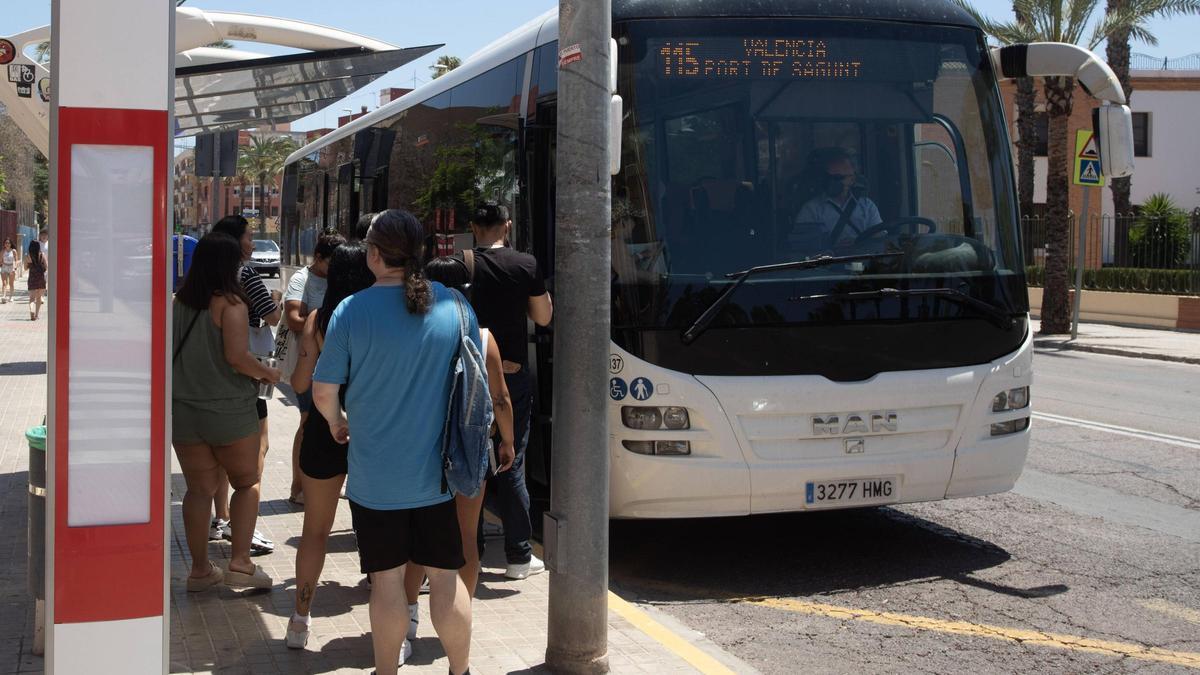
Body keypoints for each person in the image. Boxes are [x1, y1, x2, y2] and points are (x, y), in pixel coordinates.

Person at [312, 209, 474, 675]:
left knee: (385, 582)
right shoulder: (453, 304)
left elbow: (324, 391)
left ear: (375, 254)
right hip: (438, 477)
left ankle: (386, 672)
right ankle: (459, 671)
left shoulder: (351, 310)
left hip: (374, 477)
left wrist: (338, 422)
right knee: (445, 577)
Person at [402, 256, 515, 628]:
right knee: (467, 534)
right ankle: (461, 614)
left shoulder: (416, 330)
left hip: (424, 446)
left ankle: (410, 615)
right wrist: (508, 441)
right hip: (471, 445)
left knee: (422, 533)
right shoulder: (483, 337)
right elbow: (500, 398)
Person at [172, 232, 279, 592]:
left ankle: (200, 571)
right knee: (246, 484)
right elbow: (237, 358)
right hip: (229, 411)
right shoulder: (232, 304)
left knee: (199, 490)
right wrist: (268, 372)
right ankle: (239, 564)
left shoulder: (179, 303)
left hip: (184, 410)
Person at [286, 241, 374, 649]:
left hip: (325, 429)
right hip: (374, 431)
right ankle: (399, 617)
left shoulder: (319, 320)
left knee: (315, 532)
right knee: (382, 525)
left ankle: (300, 620)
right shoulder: (379, 317)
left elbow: (301, 384)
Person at [458, 201, 552, 580]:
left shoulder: (461, 264)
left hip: (466, 375)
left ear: (472, 227)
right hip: (510, 377)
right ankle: (518, 556)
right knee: (511, 460)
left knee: (468, 458)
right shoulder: (525, 265)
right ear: (507, 226)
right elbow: (544, 317)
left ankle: (472, 551)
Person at [209, 215, 279, 554]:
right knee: (257, 450)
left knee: (222, 457)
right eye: (250, 237)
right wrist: (278, 299)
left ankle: (221, 518)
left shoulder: (210, 277)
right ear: (235, 242)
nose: (253, 243)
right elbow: (273, 315)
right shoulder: (246, 275)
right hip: (248, 371)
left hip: (214, 377)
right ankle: (243, 526)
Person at [282, 231, 346, 505]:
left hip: (329, 362)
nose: (334, 268)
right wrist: (321, 323)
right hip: (309, 362)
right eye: (331, 262)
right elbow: (293, 317)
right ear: (318, 258)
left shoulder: (338, 279)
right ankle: (298, 485)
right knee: (308, 421)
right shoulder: (302, 279)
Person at [793, 147, 882, 250]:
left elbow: (879, 241)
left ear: (852, 179)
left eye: (839, 178)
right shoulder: (811, 209)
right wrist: (831, 248)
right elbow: (802, 248)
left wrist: (859, 244)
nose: (833, 182)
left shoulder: (867, 207)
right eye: (830, 177)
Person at [25, 240, 47, 321]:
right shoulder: (42, 255)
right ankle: (36, 315)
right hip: (40, 279)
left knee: (31, 298)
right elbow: (46, 266)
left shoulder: (28, 256)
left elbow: (25, 268)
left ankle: (31, 311)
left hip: (32, 278)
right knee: (39, 297)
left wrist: (30, 265)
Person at [1, 238, 16, 303]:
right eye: (6, 243)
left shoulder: (13, 251)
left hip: (11, 267)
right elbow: (0, 260)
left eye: (8, 243)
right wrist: (2, 264)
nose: (7, 244)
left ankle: (11, 297)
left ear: (11, 244)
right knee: (4, 283)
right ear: (4, 244)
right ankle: (4, 297)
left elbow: (15, 260)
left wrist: (14, 268)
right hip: (4, 267)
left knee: (11, 283)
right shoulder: (2, 251)